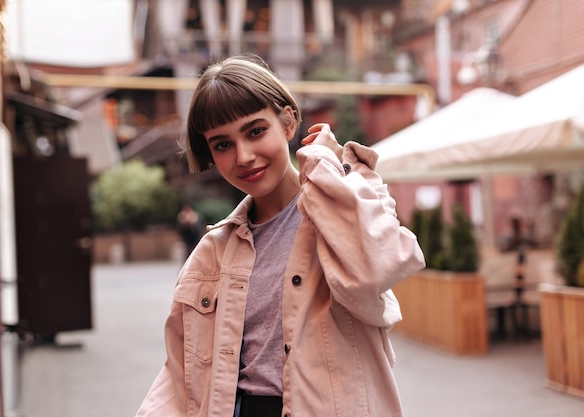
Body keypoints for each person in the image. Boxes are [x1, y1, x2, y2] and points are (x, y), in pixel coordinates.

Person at [135, 54, 425, 417]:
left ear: (287, 122)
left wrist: (323, 164)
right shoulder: (212, 252)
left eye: (256, 131)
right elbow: (181, 372)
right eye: (222, 144)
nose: (243, 156)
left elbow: (381, 264)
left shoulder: (339, 206)